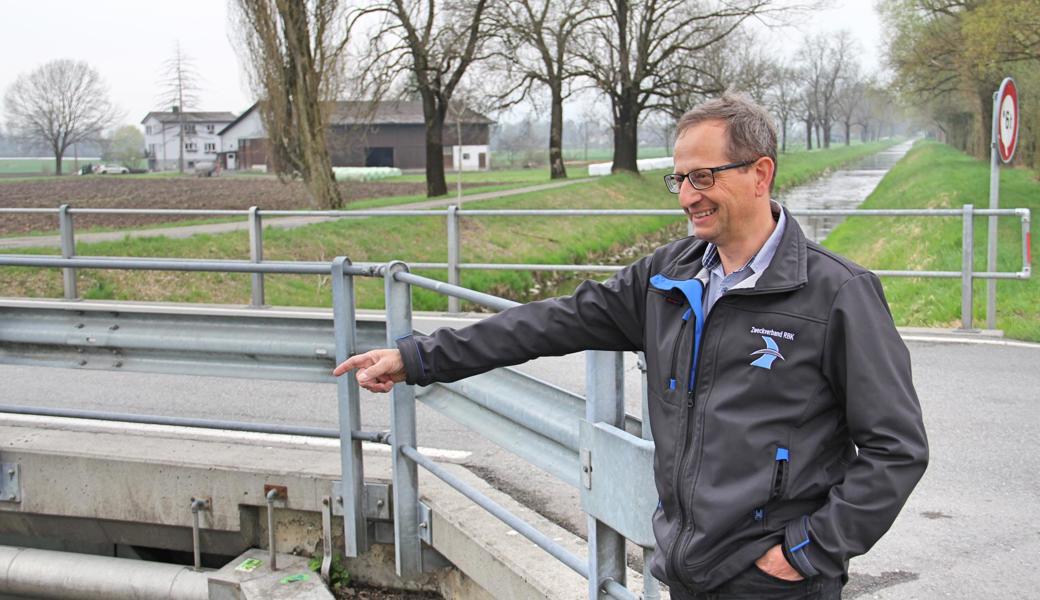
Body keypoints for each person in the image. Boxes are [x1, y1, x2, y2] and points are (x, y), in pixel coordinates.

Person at [334, 93, 928, 599]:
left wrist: (808, 549)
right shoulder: (666, 280)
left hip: (774, 581)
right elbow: (548, 324)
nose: (687, 195)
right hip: (684, 569)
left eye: (704, 177)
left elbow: (896, 448)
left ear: (760, 173)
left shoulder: (836, 295)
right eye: (680, 178)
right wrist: (418, 358)